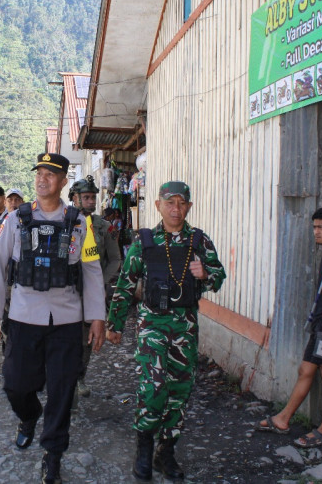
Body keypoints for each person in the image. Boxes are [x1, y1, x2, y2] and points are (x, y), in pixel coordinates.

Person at [0, 153, 107, 484]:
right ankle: (28, 415)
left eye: (51, 174)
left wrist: (97, 317)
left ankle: (53, 456)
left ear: (63, 181)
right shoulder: (15, 220)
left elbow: (92, 271)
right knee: (15, 384)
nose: (43, 178)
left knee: (63, 391)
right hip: (24, 317)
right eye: (40, 172)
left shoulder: (82, 223)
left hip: (67, 320)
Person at [106, 181, 226, 482]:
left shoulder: (199, 241)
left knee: (179, 392)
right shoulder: (145, 241)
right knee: (153, 387)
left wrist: (206, 273)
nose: (176, 208)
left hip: (184, 327)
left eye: (181, 203)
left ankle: (166, 451)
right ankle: (144, 448)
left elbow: (219, 277)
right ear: (158, 205)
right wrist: (115, 324)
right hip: (152, 326)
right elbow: (125, 283)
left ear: (188, 207)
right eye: (169, 202)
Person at [256, 205, 322, 448]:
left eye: (321, 227)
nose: (316, 232)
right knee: (306, 370)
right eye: (314, 227)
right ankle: (283, 418)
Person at [70, 175, 121, 401]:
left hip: (90, 293)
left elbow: (115, 260)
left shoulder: (103, 227)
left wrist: (99, 282)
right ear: (75, 198)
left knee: (85, 339)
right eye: (86, 197)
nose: (91, 201)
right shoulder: (63, 222)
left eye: (93, 197)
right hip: (65, 291)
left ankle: (79, 377)